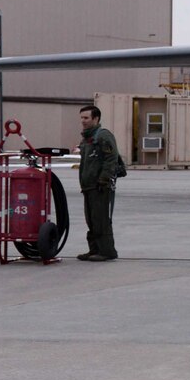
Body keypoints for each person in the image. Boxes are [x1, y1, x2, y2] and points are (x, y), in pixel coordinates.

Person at [77, 103, 123, 262]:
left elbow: (111, 159)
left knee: (101, 219)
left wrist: (104, 179)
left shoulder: (103, 136)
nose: (83, 121)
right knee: (91, 219)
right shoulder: (87, 139)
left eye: (86, 118)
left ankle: (107, 251)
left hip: (100, 186)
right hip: (88, 186)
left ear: (96, 118)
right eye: (81, 118)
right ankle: (94, 249)